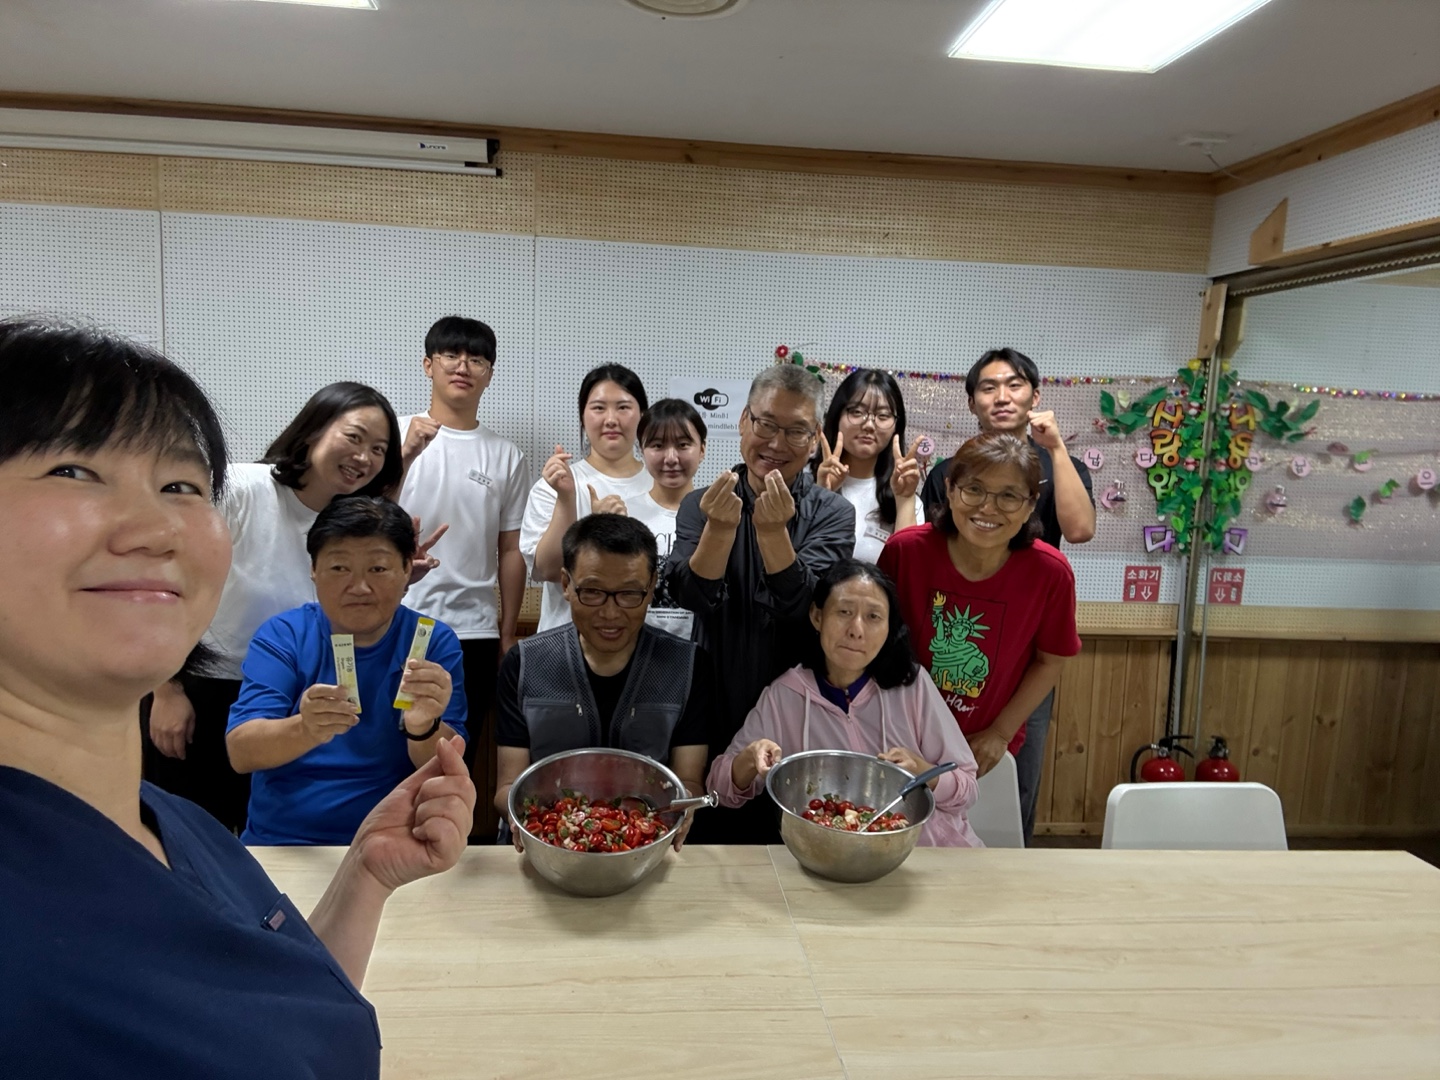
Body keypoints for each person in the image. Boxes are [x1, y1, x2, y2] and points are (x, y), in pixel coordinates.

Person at [0, 318, 474, 1078]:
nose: (155, 527)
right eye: (74, 470)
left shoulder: (185, 829)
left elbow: (285, 1015)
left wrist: (365, 874)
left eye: (181, 486)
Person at [144, 380, 413, 833]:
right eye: (354, 437)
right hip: (202, 686)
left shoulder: (346, 527)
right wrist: (166, 690)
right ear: (313, 430)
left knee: (255, 840)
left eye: (379, 449)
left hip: (284, 698)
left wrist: (390, 583)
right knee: (185, 835)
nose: (364, 457)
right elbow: (164, 578)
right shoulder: (242, 489)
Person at [666, 364, 855, 843]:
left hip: (798, 701)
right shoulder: (702, 504)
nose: (776, 442)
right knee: (712, 830)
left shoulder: (833, 512)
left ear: (814, 438)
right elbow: (692, 596)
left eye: (796, 431)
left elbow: (807, 607)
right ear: (743, 421)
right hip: (713, 689)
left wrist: (772, 533)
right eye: (766, 424)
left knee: (798, 830)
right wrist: (719, 529)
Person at [917, 348, 1095, 843]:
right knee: (929, 774)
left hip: (1024, 649)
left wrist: (1056, 449)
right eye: (988, 387)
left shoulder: (1060, 465)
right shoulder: (949, 472)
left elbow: (1079, 530)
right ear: (972, 402)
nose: (1002, 396)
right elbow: (931, 551)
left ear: (1035, 397)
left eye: (1014, 385)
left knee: (1014, 775)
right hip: (951, 644)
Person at [226, 497, 468, 846]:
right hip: (284, 841)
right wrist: (306, 728)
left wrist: (423, 727)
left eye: (378, 569)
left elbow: (446, 767)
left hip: (395, 841)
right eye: (339, 568)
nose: (359, 587)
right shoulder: (284, 635)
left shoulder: (432, 641)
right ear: (313, 569)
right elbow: (241, 753)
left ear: (407, 570)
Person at [708, 560, 981, 847]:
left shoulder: (911, 684)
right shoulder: (785, 696)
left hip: (938, 854)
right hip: (835, 858)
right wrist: (749, 758)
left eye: (873, 616)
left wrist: (924, 772)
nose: (856, 630)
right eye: (844, 612)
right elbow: (720, 790)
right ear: (817, 616)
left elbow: (968, 788)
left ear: (889, 626)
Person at [879, 432, 1081, 791]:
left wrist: (1001, 732)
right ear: (950, 489)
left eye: (1009, 496)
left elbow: (1052, 659)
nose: (988, 508)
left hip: (983, 749)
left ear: (1031, 504)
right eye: (974, 489)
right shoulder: (905, 552)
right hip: (896, 739)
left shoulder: (1050, 573)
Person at [495, 514, 710, 844]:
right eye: (593, 592)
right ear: (566, 584)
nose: (610, 613)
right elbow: (507, 786)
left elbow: (689, 781)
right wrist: (523, 820)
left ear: (652, 586)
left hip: (645, 845)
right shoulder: (525, 664)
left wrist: (683, 811)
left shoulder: (687, 666)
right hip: (546, 842)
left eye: (629, 593)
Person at [395, 315, 527, 796]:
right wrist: (405, 456)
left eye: (477, 359)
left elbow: (510, 548)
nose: (463, 366)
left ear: (489, 374)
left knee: (453, 763)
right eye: (451, 354)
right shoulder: (395, 433)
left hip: (473, 630)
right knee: (393, 753)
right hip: (399, 620)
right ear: (427, 365)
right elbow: (363, 519)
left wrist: (507, 632)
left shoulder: (506, 455)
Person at [520, 364, 652, 633]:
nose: (611, 419)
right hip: (564, 642)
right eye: (599, 408)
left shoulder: (660, 485)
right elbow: (547, 569)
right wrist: (566, 500)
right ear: (582, 416)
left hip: (643, 644)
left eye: (623, 407)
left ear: (642, 416)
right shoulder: (556, 485)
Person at [811, 368, 923, 563]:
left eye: (883, 415)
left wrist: (905, 499)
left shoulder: (906, 497)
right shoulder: (804, 481)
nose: (869, 425)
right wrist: (822, 494)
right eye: (857, 412)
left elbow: (908, 569)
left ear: (896, 426)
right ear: (837, 416)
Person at [624, 397, 708, 640]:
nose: (671, 458)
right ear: (641, 450)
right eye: (658, 445)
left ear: (702, 449)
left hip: (702, 648)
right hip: (638, 646)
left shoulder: (720, 515)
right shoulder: (625, 514)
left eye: (683, 445)